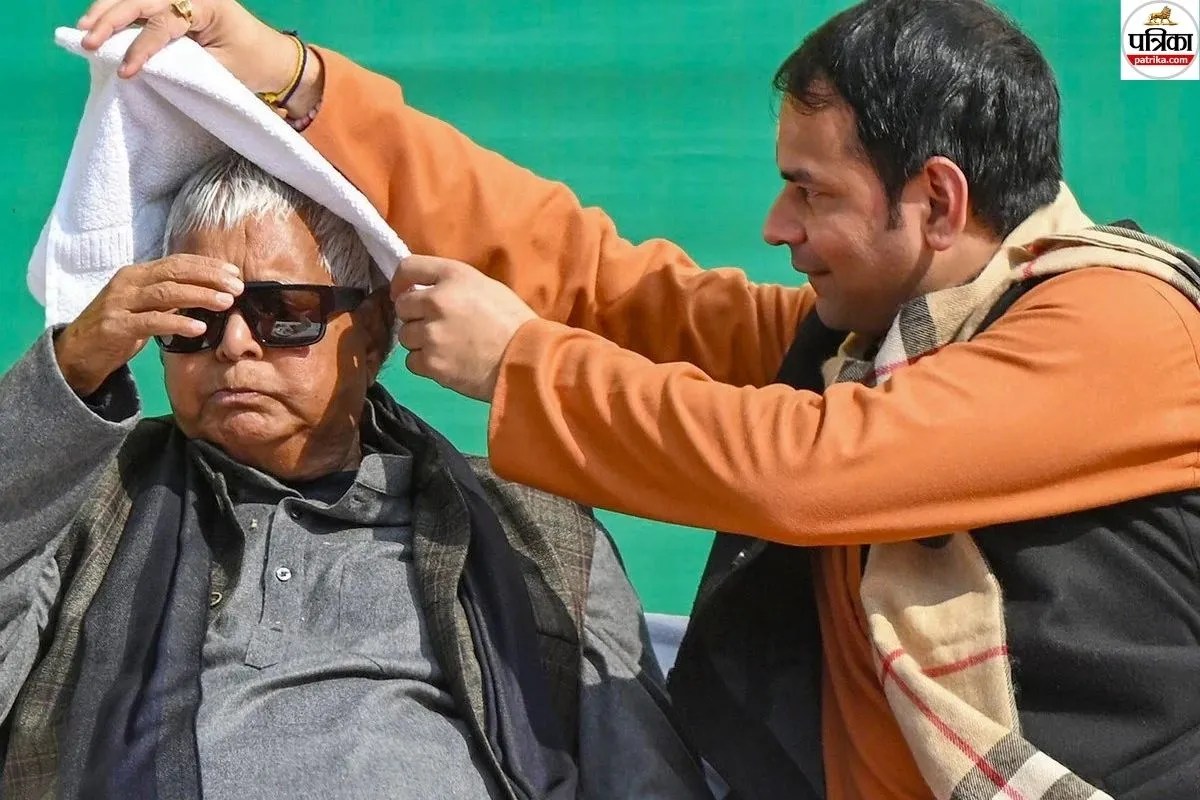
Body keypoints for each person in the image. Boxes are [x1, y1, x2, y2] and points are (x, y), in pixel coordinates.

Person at [78, 0, 1200, 798]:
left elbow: (808, 469)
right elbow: (601, 285)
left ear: (939, 201)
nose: (777, 226)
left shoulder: (1120, 328)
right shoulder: (874, 342)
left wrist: (520, 366)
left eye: (810, 192)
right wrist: (298, 84)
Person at [0, 152, 713, 799]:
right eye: (195, 317)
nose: (235, 344)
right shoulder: (84, 501)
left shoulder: (535, 534)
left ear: (372, 333)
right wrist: (72, 370)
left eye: (283, 312)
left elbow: (646, 781)